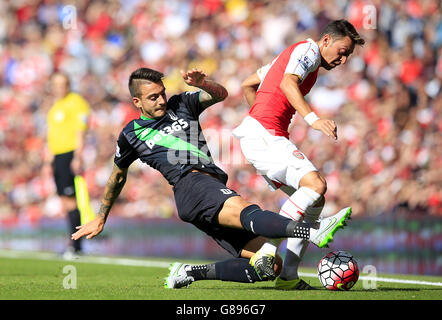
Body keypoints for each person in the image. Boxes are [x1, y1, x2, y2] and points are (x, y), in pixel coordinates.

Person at [71, 67, 350, 289]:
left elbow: (220, 94)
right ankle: (313, 231)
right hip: (191, 185)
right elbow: (117, 176)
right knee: (245, 211)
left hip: (207, 190)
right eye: (153, 97)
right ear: (137, 102)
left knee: (269, 266)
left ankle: (190, 273)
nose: (161, 100)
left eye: (161, 93)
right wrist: (101, 216)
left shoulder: (181, 104)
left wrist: (204, 83)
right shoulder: (131, 134)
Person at [233, 19, 365, 290]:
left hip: (262, 134)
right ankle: (268, 250)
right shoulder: (307, 51)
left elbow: (248, 84)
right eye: (342, 51)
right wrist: (313, 119)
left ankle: (288, 277)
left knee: (314, 202)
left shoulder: (297, 57)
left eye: (348, 56)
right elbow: (287, 83)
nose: (343, 60)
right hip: (265, 135)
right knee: (316, 184)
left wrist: (260, 117)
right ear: (326, 40)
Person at [45, 72, 90, 258]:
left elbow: (80, 131)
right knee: (65, 201)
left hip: (69, 154)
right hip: (57, 157)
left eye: (62, 84)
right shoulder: (55, 106)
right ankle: (73, 243)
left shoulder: (76, 102)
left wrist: (77, 156)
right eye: (55, 84)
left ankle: (76, 246)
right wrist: (48, 161)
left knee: (71, 201)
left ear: (68, 85)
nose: (59, 88)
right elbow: (52, 135)